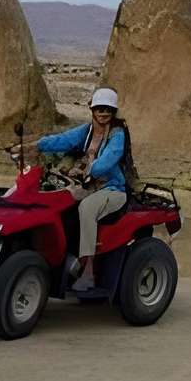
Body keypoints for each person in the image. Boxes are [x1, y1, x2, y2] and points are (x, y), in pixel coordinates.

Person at [13, 88, 130, 291]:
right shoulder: (86, 132)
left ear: (114, 111)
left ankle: (88, 271)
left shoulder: (117, 134)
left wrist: (87, 169)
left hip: (111, 189)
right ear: (92, 109)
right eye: (99, 108)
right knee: (54, 201)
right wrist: (33, 146)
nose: (103, 113)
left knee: (87, 208)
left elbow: (109, 159)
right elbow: (63, 140)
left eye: (108, 109)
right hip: (86, 185)